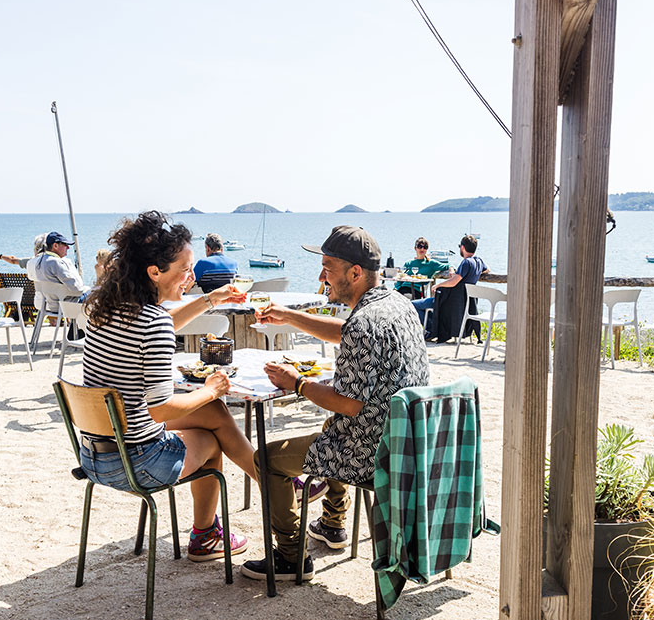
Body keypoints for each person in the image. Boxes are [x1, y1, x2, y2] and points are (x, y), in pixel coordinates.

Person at [242, 225, 430, 581]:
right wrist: (289, 316)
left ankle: (290, 557)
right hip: (408, 441)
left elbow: (347, 404)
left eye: (327, 267)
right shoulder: (398, 305)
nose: (321, 276)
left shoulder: (364, 324)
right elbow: (346, 332)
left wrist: (295, 383)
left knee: (266, 458)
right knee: (330, 429)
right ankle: (332, 522)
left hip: (373, 453)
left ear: (355, 273)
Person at [81, 211, 257, 560]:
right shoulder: (153, 324)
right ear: (154, 272)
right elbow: (160, 409)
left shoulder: (104, 307)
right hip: (134, 462)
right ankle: (215, 529)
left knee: (213, 412)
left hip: (95, 454)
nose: (191, 278)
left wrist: (211, 299)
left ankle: (273, 487)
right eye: (185, 270)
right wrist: (211, 387)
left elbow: (160, 323)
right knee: (210, 437)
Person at [413, 234, 487, 342]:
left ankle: (432, 329)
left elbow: (453, 282)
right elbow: (487, 269)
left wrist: (438, 285)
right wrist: (476, 273)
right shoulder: (479, 261)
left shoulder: (466, 262)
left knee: (413, 305)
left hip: (449, 302)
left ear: (462, 247)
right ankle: (432, 329)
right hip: (463, 303)